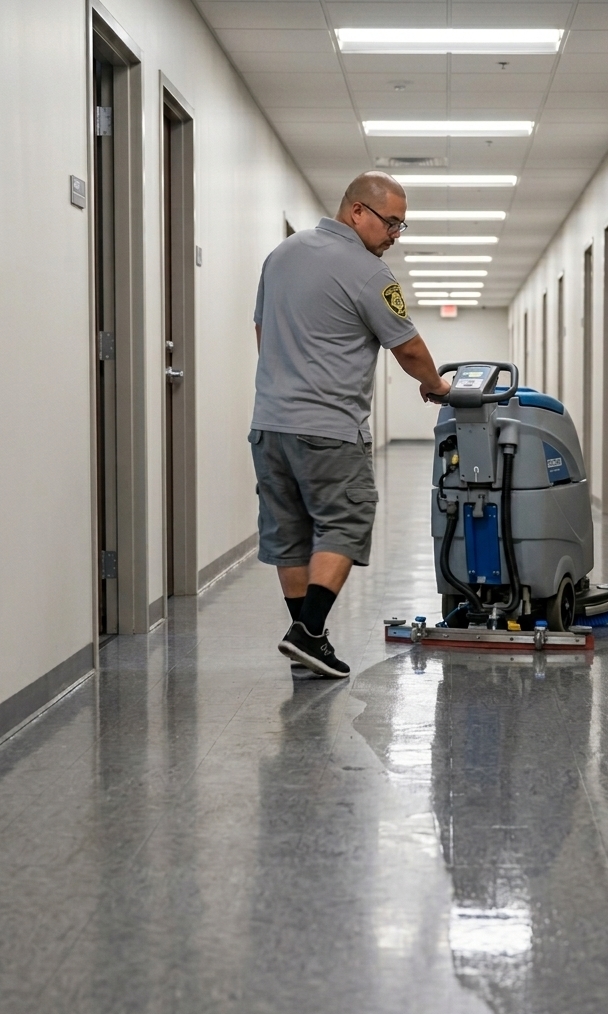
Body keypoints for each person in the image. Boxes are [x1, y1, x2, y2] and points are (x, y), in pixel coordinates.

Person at [249, 171, 450, 679]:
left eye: (401, 227)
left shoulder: (282, 254)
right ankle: (308, 632)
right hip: (329, 428)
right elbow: (407, 346)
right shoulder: (369, 273)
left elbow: (261, 326)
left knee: (289, 531)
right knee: (346, 520)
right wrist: (435, 386)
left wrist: (285, 378)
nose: (393, 237)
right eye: (390, 224)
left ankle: (308, 642)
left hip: (270, 424)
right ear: (357, 211)